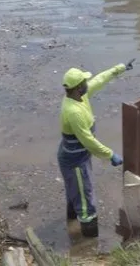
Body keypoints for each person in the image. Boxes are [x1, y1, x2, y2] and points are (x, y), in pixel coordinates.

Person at [58, 59, 135, 238]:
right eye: (84, 81)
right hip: (75, 161)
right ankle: (88, 247)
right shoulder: (74, 111)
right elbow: (88, 140)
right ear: (78, 87)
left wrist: (120, 68)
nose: (87, 83)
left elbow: (99, 79)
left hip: (76, 155)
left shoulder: (79, 96)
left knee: (75, 193)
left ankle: (71, 228)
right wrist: (110, 155)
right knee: (86, 204)